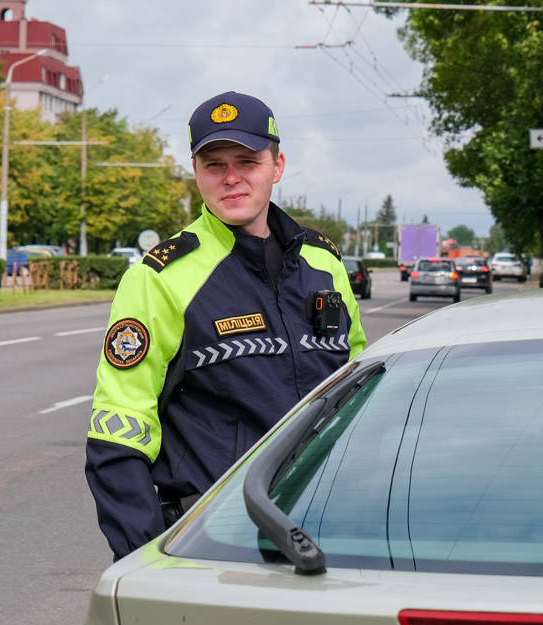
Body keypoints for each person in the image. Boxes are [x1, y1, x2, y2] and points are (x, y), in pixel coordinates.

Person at [85, 91, 367, 560]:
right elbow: (117, 434)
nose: (231, 177)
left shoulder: (324, 263)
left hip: (330, 528)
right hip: (217, 543)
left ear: (277, 166)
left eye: (247, 160)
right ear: (196, 173)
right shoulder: (161, 278)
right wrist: (145, 560)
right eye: (214, 163)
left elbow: (359, 400)